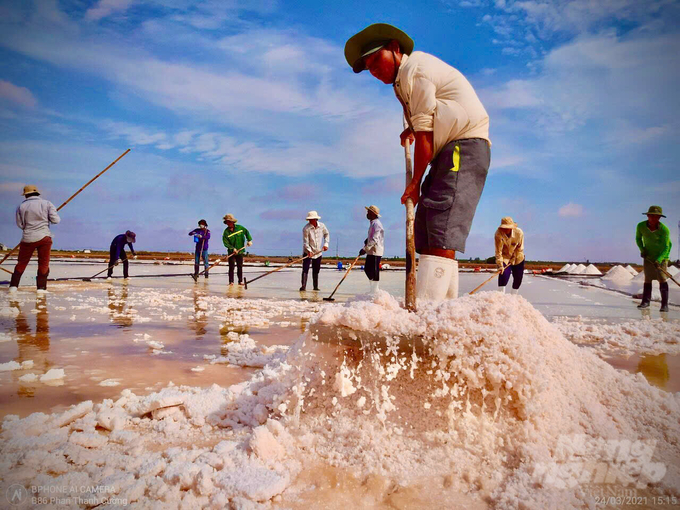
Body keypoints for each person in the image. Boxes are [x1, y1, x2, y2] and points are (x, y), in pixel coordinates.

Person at [345, 24, 490, 302]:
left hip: (464, 146)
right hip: (447, 150)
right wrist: (411, 128)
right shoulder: (401, 83)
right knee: (425, 225)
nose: (374, 71)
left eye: (377, 60)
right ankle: (443, 309)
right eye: (369, 68)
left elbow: (426, 136)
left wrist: (414, 183)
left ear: (395, 48)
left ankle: (425, 314)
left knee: (441, 224)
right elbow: (430, 117)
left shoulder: (415, 71)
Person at [9, 185, 60, 294]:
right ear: (37, 193)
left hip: (27, 237)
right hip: (44, 237)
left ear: (26, 195)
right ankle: (41, 288)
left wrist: (29, 228)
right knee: (44, 263)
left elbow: (20, 224)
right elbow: (56, 220)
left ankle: (13, 286)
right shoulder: (47, 203)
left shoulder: (21, 206)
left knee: (21, 262)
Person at [636, 205, 672, 312]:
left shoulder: (664, 230)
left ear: (660, 218)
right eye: (651, 216)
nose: (653, 219)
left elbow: (666, 247)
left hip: (662, 256)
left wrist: (660, 259)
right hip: (648, 256)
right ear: (647, 216)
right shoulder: (641, 226)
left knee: (662, 278)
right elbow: (638, 238)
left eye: (656, 217)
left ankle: (664, 305)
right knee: (648, 278)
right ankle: (646, 302)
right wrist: (642, 250)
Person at [494, 217, 525, 294]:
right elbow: (498, 252)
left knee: (518, 278)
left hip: (518, 256)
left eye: (507, 228)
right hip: (505, 257)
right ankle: (501, 297)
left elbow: (519, 248)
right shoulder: (498, 234)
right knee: (503, 274)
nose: (505, 230)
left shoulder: (519, 232)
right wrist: (500, 265)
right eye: (504, 228)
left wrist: (514, 258)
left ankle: (513, 298)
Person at [301, 211, 330, 291]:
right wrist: (309, 251)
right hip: (308, 252)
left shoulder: (322, 226)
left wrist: (326, 244)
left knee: (316, 269)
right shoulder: (306, 229)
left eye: (311, 219)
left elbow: (327, 234)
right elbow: (305, 242)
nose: (310, 221)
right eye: (309, 220)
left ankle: (315, 287)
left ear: (316, 219)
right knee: (305, 269)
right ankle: (303, 287)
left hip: (318, 252)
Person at [359, 205, 384, 293]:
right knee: (367, 269)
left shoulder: (377, 224)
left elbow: (375, 239)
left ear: (373, 214)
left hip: (376, 251)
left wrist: (365, 249)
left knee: (374, 270)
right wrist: (367, 240)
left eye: (368, 212)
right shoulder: (372, 223)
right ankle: (373, 288)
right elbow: (371, 237)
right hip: (371, 251)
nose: (367, 214)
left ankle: (375, 290)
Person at [222, 214, 252, 286]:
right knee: (231, 267)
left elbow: (246, 232)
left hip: (240, 251)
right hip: (231, 252)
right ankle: (231, 282)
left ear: (232, 222)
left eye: (229, 221)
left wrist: (249, 240)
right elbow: (225, 243)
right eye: (227, 222)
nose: (228, 223)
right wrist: (232, 248)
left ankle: (240, 281)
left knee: (240, 266)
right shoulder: (226, 232)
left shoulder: (240, 228)